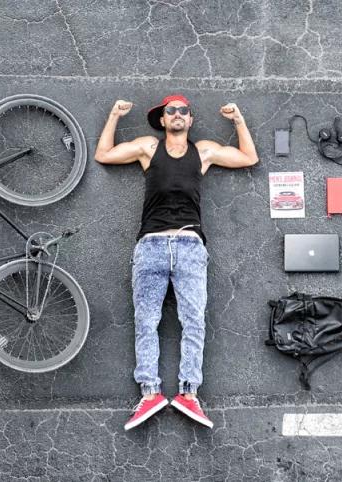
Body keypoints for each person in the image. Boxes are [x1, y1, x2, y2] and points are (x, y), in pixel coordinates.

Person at [94, 94, 259, 430]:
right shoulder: (148, 148)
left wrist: (238, 119)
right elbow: (104, 155)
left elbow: (248, 158)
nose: (177, 114)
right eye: (171, 111)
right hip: (151, 245)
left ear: (190, 119)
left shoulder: (204, 152)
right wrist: (114, 115)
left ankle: (188, 394)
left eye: (183, 110)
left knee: (193, 321)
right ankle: (150, 393)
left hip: (190, 246)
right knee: (146, 322)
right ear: (163, 120)